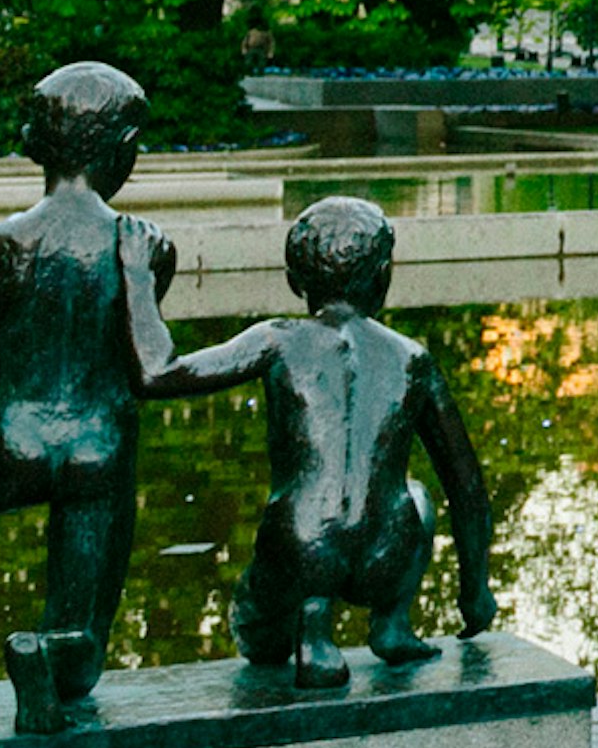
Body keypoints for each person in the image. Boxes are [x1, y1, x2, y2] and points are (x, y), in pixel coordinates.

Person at [0, 62, 180, 730]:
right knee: (84, 661)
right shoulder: (146, 248)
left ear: (35, 143)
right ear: (124, 148)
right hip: (100, 452)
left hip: (13, 441)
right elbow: (115, 364)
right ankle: (51, 651)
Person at [146, 196, 495, 689]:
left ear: (295, 282)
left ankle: (313, 625)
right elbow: (468, 489)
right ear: (383, 275)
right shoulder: (413, 358)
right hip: (386, 553)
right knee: (417, 495)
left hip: (303, 546)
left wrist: (142, 285)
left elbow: (160, 375)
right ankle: (392, 620)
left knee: (256, 641)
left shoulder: (277, 339)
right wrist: (475, 591)